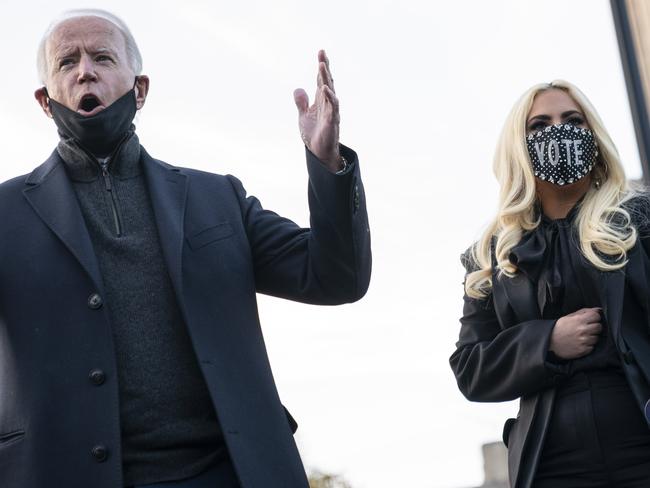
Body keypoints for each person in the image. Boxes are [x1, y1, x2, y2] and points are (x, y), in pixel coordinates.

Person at [0, 9, 371, 488]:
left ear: (140, 89)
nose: (84, 70)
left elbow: (336, 276)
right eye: (66, 62)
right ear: (45, 101)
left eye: (102, 57)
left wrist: (328, 166)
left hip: (228, 473)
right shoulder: (6, 215)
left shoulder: (217, 199)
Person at [449, 80, 650, 488]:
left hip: (639, 440)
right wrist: (547, 342)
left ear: (593, 135)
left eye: (572, 120)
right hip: (553, 462)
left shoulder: (639, 221)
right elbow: (470, 368)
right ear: (518, 147)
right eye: (539, 125)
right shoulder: (490, 255)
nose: (559, 131)